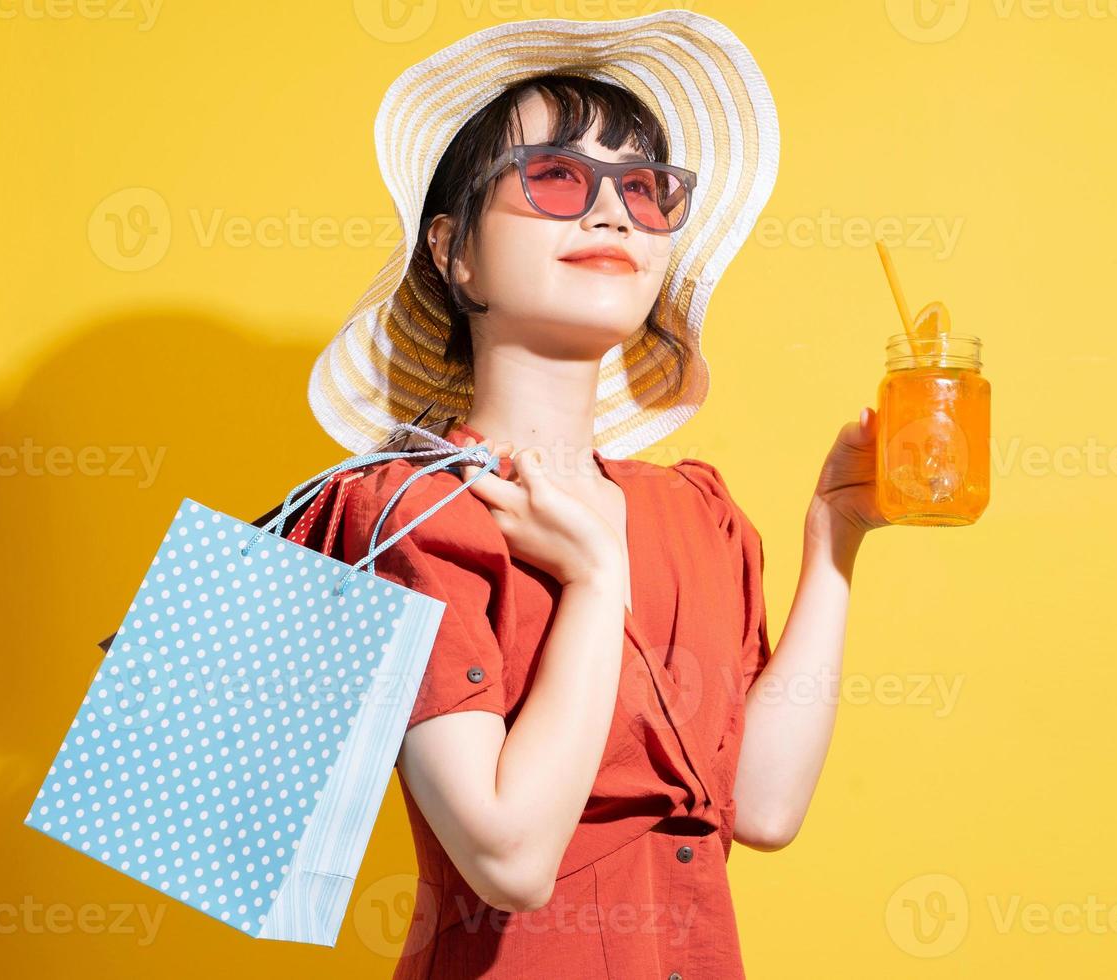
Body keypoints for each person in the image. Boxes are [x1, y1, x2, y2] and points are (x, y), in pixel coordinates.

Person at [306, 14, 885, 978]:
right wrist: (591, 579)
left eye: (646, 190)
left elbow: (765, 806)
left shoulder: (695, 513)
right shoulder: (408, 513)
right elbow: (509, 857)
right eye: (557, 177)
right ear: (455, 253)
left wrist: (835, 540)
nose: (614, 213)